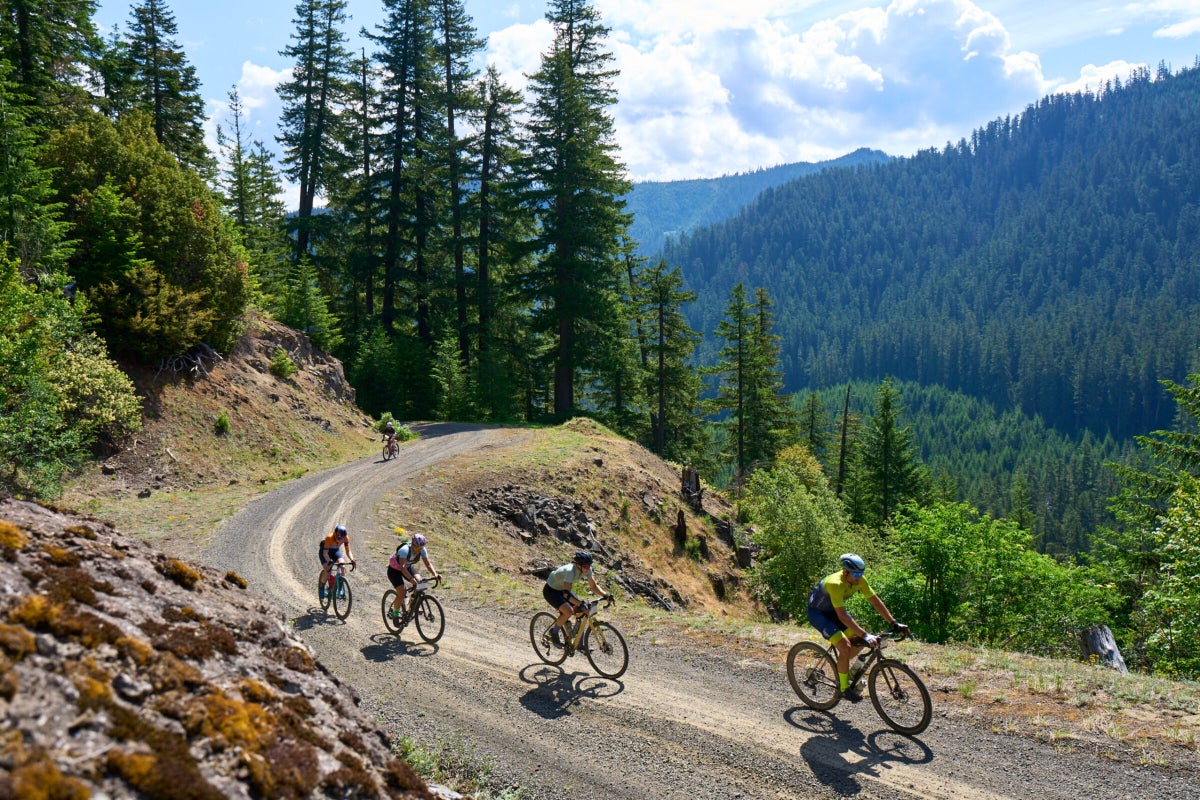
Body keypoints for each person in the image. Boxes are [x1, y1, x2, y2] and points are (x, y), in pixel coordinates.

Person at [807, 553, 908, 702]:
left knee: (860, 642)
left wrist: (893, 622)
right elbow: (842, 616)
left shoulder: (860, 580)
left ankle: (843, 672)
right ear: (845, 571)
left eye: (861, 573)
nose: (858, 577)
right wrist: (865, 634)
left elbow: (875, 601)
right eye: (855, 574)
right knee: (846, 646)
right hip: (819, 614)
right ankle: (843, 689)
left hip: (834, 611)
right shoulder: (835, 584)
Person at [543, 550, 610, 648]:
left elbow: (594, 586)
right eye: (585, 566)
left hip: (563, 590)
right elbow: (566, 594)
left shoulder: (587, 569)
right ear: (578, 565)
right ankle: (554, 632)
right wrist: (580, 604)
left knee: (581, 611)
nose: (588, 569)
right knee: (568, 611)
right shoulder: (570, 571)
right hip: (551, 590)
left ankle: (579, 644)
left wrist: (606, 595)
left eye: (589, 566)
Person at [387, 532, 440, 620]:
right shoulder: (404, 550)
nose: (419, 550)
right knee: (402, 592)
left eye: (421, 547)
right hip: (395, 570)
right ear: (413, 545)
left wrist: (435, 574)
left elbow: (428, 564)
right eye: (418, 547)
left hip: (407, 567)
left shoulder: (422, 549)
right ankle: (395, 614)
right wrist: (411, 579)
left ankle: (411, 603)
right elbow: (402, 567)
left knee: (421, 584)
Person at [318, 524, 355, 600]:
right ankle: (322, 586)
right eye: (338, 538)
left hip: (335, 551)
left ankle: (339, 589)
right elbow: (325, 554)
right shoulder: (329, 538)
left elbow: (348, 551)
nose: (340, 540)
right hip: (325, 552)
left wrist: (352, 559)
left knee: (342, 566)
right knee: (327, 570)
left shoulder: (346, 538)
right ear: (335, 534)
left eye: (342, 539)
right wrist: (329, 561)